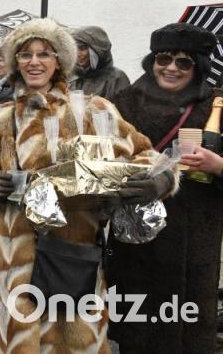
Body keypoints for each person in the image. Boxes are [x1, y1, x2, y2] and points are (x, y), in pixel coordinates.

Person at [0, 18, 164, 353]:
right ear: (15, 63)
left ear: (59, 61)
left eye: (44, 53)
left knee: (72, 341)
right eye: (25, 54)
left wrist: (151, 182)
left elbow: (146, 155)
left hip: (72, 249)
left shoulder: (91, 110)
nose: (34, 62)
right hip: (11, 255)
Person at [105, 23, 223, 353]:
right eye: (163, 58)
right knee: (137, 333)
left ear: (198, 66)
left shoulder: (216, 105)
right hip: (136, 236)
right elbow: (102, 156)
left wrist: (217, 165)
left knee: (186, 333)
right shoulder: (122, 103)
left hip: (194, 239)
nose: (171, 68)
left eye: (183, 62)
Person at [69, 25, 130, 100]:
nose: (78, 54)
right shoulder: (72, 77)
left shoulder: (116, 78)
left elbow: (124, 109)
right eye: (75, 49)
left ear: (96, 51)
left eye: (82, 48)